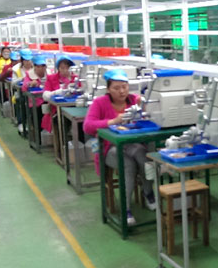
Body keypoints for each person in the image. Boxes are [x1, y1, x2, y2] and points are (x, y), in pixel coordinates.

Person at [83, 69, 157, 225]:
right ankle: (126, 208)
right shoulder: (99, 103)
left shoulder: (134, 101)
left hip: (131, 144)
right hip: (109, 148)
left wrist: (146, 106)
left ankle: (148, 192)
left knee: (144, 156)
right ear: (108, 89)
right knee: (128, 165)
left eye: (124, 87)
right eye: (116, 88)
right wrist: (112, 121)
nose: (122, 91)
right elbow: (87, 126)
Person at [42, 55, 79, 133]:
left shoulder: (76, 79)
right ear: (58, 68)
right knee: (62, 121)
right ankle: (63, 140)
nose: (65, 70)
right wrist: (56, 92)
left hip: (74, 108)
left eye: (67, 68)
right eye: (62, 68)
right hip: (56, 111)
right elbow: (45, 96)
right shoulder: (51, 78)